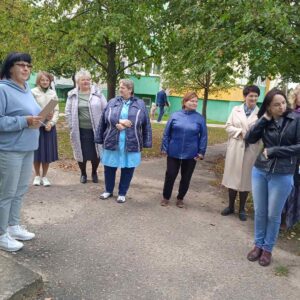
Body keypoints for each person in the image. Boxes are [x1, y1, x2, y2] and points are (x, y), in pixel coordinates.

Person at [245, 89, 300, 267]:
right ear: (268, 106)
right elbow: (250, 138)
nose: (281, 106)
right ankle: (258, 245)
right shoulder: (266, 120)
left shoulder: (296, 119)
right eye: (276, 104)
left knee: (273, 214)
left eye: (283, 102)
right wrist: (264, 119)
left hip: (283, 173)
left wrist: (276, 151)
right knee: (260, 212)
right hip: (260, 170)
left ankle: (268, 249)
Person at [0, 52, 42, 252]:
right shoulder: (2, 89)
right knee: (6, 193)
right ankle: (1, 235)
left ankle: (13, 226)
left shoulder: (26, 90)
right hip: (10, 150)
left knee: (19, 191)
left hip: (28, 148)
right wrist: (24, 120)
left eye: (29, 66)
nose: (26, 69)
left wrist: (41, 116)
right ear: (10, 68)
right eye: (21, 65)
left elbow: (32, 114)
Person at [95, 79, 152, 203]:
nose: (120, 89)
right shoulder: (112, 102)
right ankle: (108, 190)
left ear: (130, 90)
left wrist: (146, 140)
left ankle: (122, 193)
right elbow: (104, 119)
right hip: (112, 140)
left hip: (131, 141)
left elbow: (145, 123)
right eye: (120, 87)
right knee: (109, 167)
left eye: (123, 88)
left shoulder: (140, 104)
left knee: (128, 168)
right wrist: (119, 122)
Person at [160, 92, 207, 208]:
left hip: (191, 153)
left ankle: (180, 198)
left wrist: (201, 152)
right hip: (173, 151)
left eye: (196, 101)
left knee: (186, 177)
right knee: (170, 175)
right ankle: (166, 197)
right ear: (185, 102)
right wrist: (164, 147)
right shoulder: (175, 115)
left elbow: (204, 136)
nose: (195, 103)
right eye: (192, 101)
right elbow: (166, 133)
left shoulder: (199, 118)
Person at [221, 85, 261, 221]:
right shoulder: (235, 110)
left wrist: (252, 136)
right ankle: (230, 206)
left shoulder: (260, 113)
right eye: (251, 95)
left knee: (245, 180)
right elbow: (227, 127)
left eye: (256, 96)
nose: (253, 98)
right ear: (245, 97)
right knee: (232, 178)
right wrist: (240, 132)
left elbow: (262, 133)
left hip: (250, 150)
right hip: (236, 148)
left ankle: (242, 209)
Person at [65, 70, 107, 184]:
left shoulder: (98, 93)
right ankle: (83, 173)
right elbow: (68, 112)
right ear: (78, 81)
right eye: (83, 79)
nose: (86, 81)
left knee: (96, 153)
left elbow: (106, 109)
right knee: (81, 152)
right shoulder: (72, 94)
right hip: (79, 130)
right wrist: (71, 126)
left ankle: (94, 172)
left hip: (96, 130)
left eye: (88, 79)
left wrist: (105, 126)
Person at [31, 71, 59, 187]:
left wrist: (51, 123)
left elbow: (56, 110)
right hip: (36, 126)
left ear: (50, 81)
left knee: (47, 152)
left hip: (49, 127)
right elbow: (31, 108)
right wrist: (42, 117)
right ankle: (37, 176)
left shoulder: (53, 93)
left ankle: (45, 176)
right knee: (36, 152)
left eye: (47, 80)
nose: (45, 82)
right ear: (38, 81)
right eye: (42, 80)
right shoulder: (33, 92)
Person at [283, 85, 300, 228]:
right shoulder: (291, 114)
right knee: (287, 186)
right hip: (289, 157)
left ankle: (291, 219)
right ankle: (283, 218)